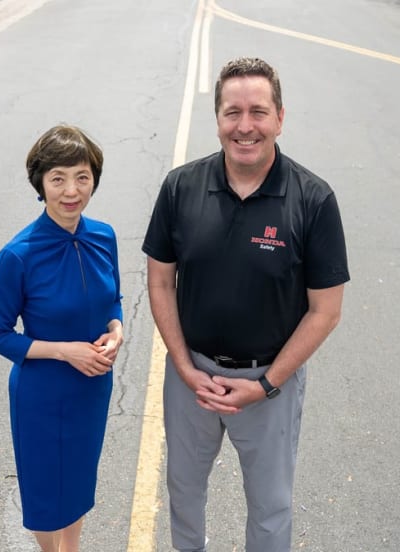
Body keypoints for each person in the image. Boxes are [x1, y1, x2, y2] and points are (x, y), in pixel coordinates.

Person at [142, 57, 350, 551]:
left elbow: (325, 311)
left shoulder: (313, 199)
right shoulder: (180, 187)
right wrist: (183, 366)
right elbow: (160, 282)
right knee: (183, 493)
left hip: (269, 384)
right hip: (192, 379)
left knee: (270, 507)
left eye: (258, 111)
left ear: (280, 117)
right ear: (217, 119)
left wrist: (267, 384)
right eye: (232, 112)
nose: (245, 126)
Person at [0, 124, 123, 552]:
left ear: (94, 180)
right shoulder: (18, 255)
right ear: (41, 183)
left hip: (92, 388)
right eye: (58, 178)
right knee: (45, 494)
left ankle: (72, 548)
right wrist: (64, 352)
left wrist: (117, 331)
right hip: (42, 395)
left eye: (82, 177)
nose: (71, 190)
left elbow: (113, 300)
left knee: (79, 481)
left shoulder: (104, 236)